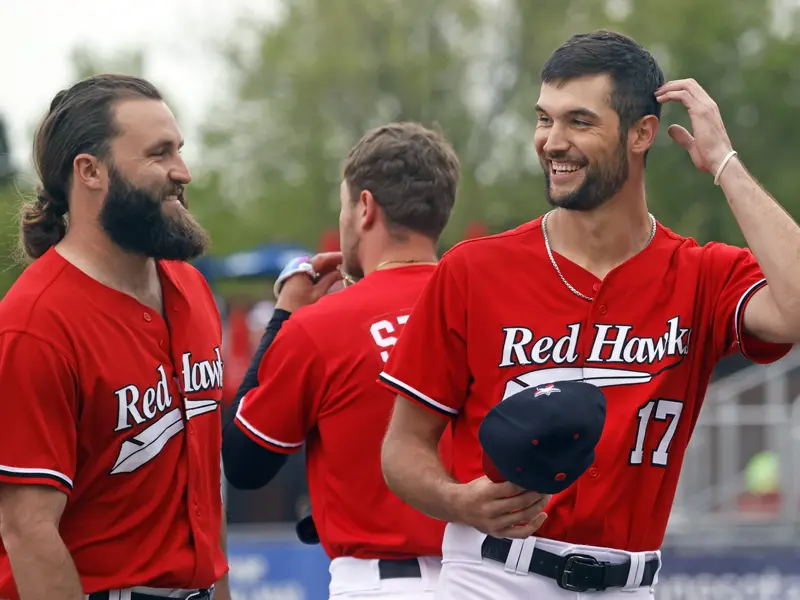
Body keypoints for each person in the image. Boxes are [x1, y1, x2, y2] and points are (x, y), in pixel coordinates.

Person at [377, 29, 800, 599]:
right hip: (491, 577)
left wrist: (723, 163)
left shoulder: (701, 273)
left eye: (579, 121)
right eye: (543, 119)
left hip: (629, 583)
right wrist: (458, 500)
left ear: (641, 133)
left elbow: (794, 308)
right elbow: (403, 447)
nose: (552, 141)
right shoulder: (474, 268)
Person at [0, 75, 229, 600]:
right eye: (158, 153)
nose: (182, 171)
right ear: (90, 171)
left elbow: (204, 489)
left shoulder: (190, 288)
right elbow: (28, 530)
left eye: (179, 150)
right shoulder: (35, 325)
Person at [221, 122, 460, 600]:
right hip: (492, 579)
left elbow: (245, 463)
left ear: (365, 207)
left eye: (346, 203)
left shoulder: (321, 325)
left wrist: (284, 317)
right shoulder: (491, 310)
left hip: (382, 585)